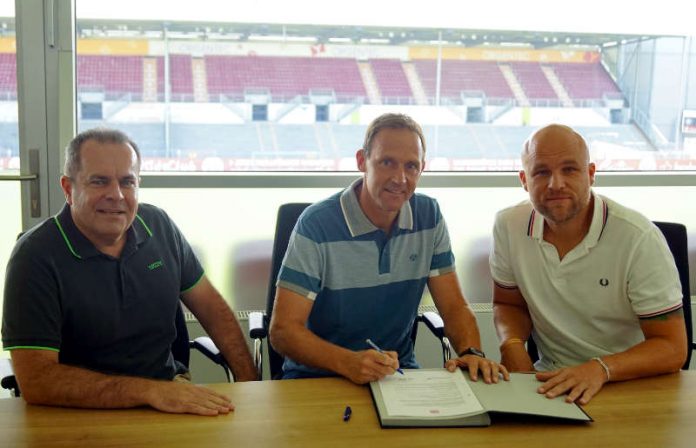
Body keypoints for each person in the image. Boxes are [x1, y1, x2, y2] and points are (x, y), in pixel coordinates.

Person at [2, 128, 257, 415]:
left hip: (168, 394)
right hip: (74, 409)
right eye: (99, 182)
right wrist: (148, 391)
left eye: (127, 182)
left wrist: (251, 384)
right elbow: (37, 380)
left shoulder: (159, 226)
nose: (117, 195)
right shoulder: (34, 257)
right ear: (68, 189)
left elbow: (212, 308)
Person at [270, 113, 508, 384]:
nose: (400, 178)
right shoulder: (316, 225)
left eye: (411, 166)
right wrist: (348, 362)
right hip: (317, 378)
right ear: (362, 161)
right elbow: (283, 331)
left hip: (396, 377)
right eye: (387, 162)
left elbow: (453, 307)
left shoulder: (428, 216)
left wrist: (471, 351)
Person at [491, 124, 687, 405]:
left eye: (569, 169)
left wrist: (600, 369)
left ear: (591, 174)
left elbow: (672, 348)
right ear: (524, 180)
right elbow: (508, 304)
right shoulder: (508, 225)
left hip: (631, 384)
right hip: (552, 384)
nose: (555, 184)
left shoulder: (638, 237)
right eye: (541, 172)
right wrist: (511, 345)